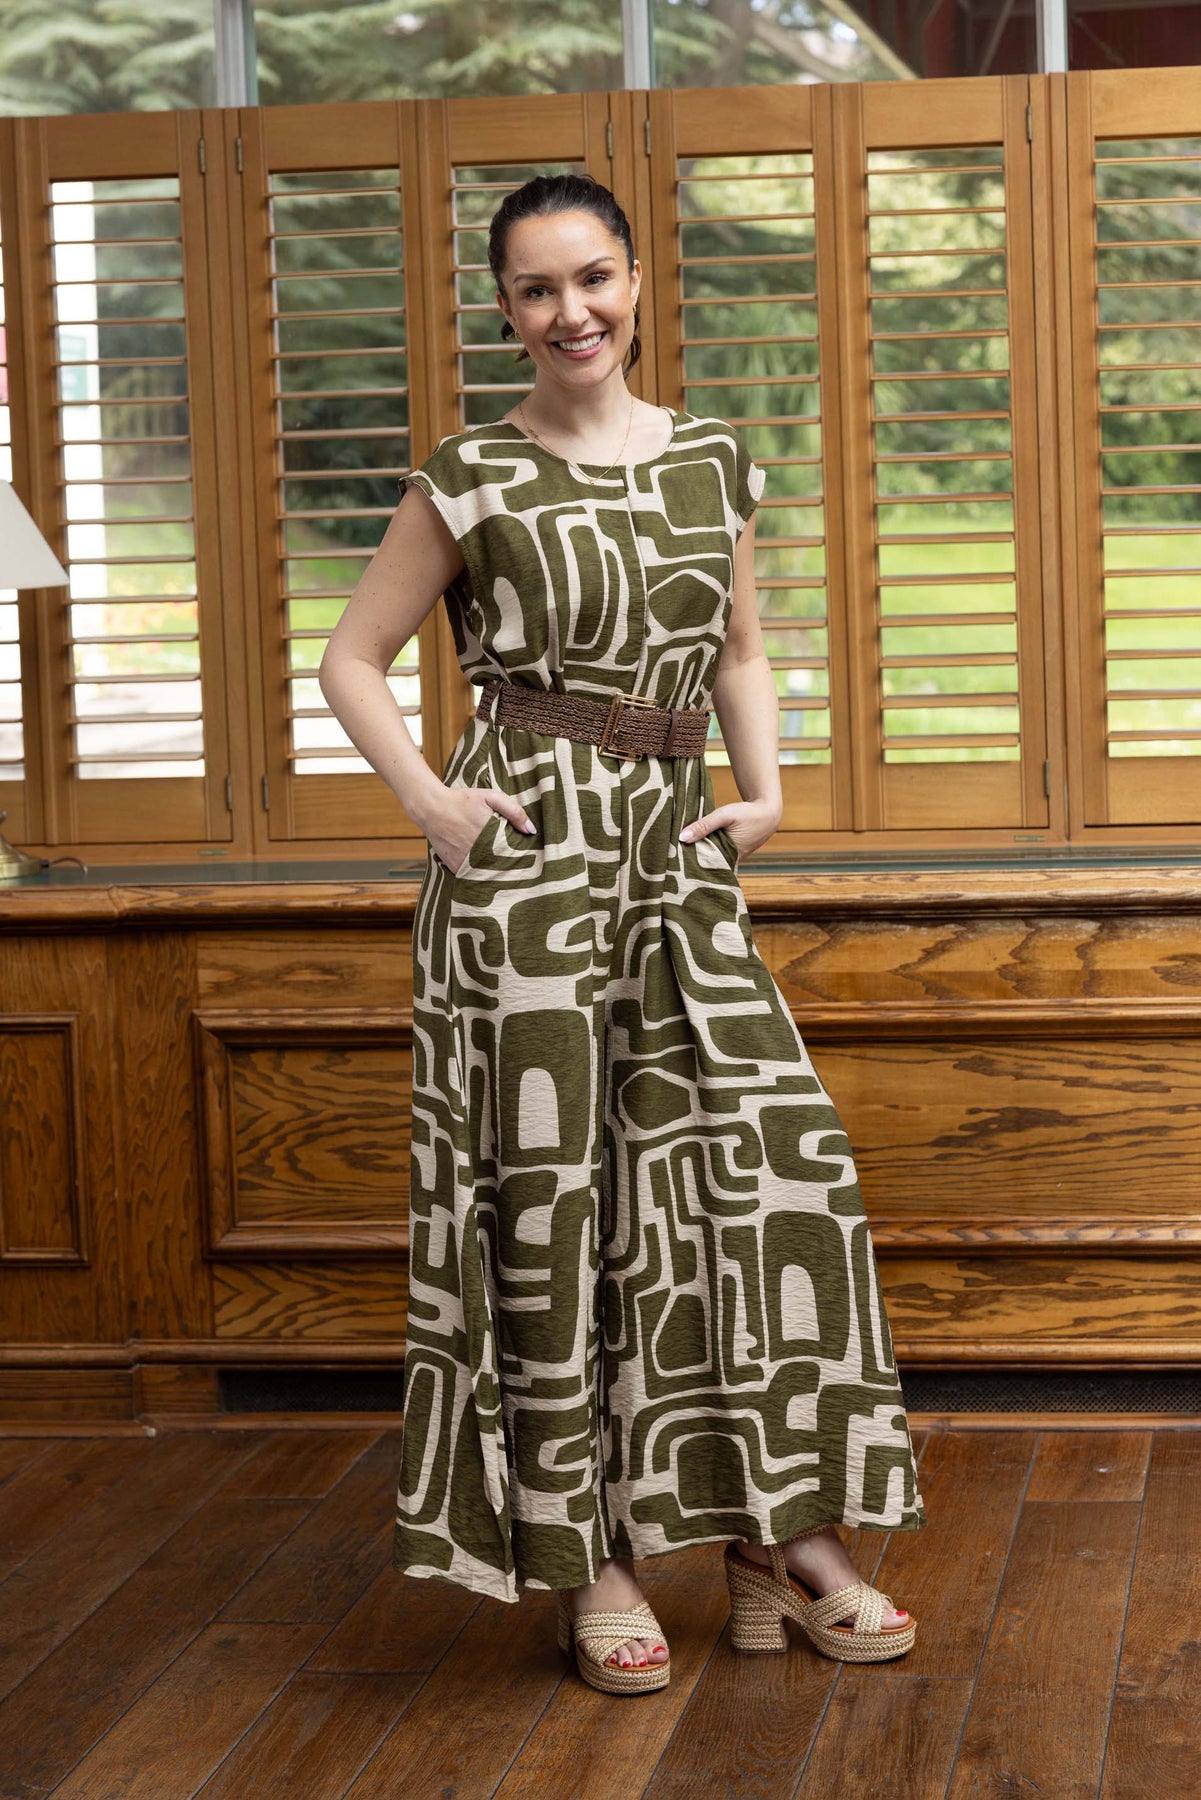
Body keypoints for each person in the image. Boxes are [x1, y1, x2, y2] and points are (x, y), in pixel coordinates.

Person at [319, 172, 925, 1696]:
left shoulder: (713, 459)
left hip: (671, 853)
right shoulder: (470, 475)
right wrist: (431, 807)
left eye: (591, 278)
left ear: (637, 279)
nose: (569, 311)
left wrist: (767, 793)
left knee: (764, 1177)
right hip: (523, 866)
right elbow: (350, 659)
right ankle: (587, 1555)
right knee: (554, 1207)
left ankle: (778, 1535)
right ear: (504, 309)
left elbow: (737, 648)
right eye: (535, 289)